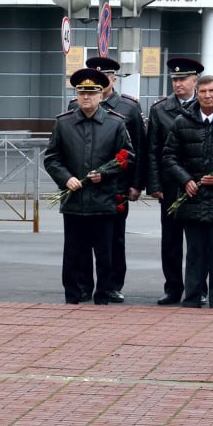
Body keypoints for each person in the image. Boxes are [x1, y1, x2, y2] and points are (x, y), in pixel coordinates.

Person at [48, 68, 135, 305]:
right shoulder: (64, 123)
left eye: (91, 93)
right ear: (76, 95)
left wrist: (104, 174)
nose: (86, 98)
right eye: (81, 93)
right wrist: (66, 178)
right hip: (74, 200)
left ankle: (103, 295)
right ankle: (73, 294)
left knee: (104, 254)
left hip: (103, 199)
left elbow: (127, 156)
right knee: (73, 253)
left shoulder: (115, 123)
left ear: (100, 95)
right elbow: (52, 158)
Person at [160, 74, 213, 308]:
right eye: (203, 92)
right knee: (195, 254)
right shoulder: (182, 122)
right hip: (191, 197)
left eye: (212, 91)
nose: (207, 95)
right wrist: (185, 180)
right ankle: (191, 300)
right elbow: (168, 157)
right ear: (196, 94)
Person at [73, 56, 146, 302]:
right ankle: (83, 285)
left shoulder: (128, 107)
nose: (98, 83)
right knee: (83, 241)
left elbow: (138, 148)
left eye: (103, 77)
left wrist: (137, 184)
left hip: (117, 185)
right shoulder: (76, 104)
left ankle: (112, 284)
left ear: (113, 79)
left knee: (114, 239)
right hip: (84, 186)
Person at [146, 57, 204, 305]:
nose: (178, 84)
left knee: (197, 242)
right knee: (170, 241)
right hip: (170, 185)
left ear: (195, 80)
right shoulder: (160, 109)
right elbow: (153, 150)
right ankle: (172, 288)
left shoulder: (207, 105)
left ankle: (198, 288)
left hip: (198, 186)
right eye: (175, 80)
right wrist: (155, 184)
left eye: (183, 79)